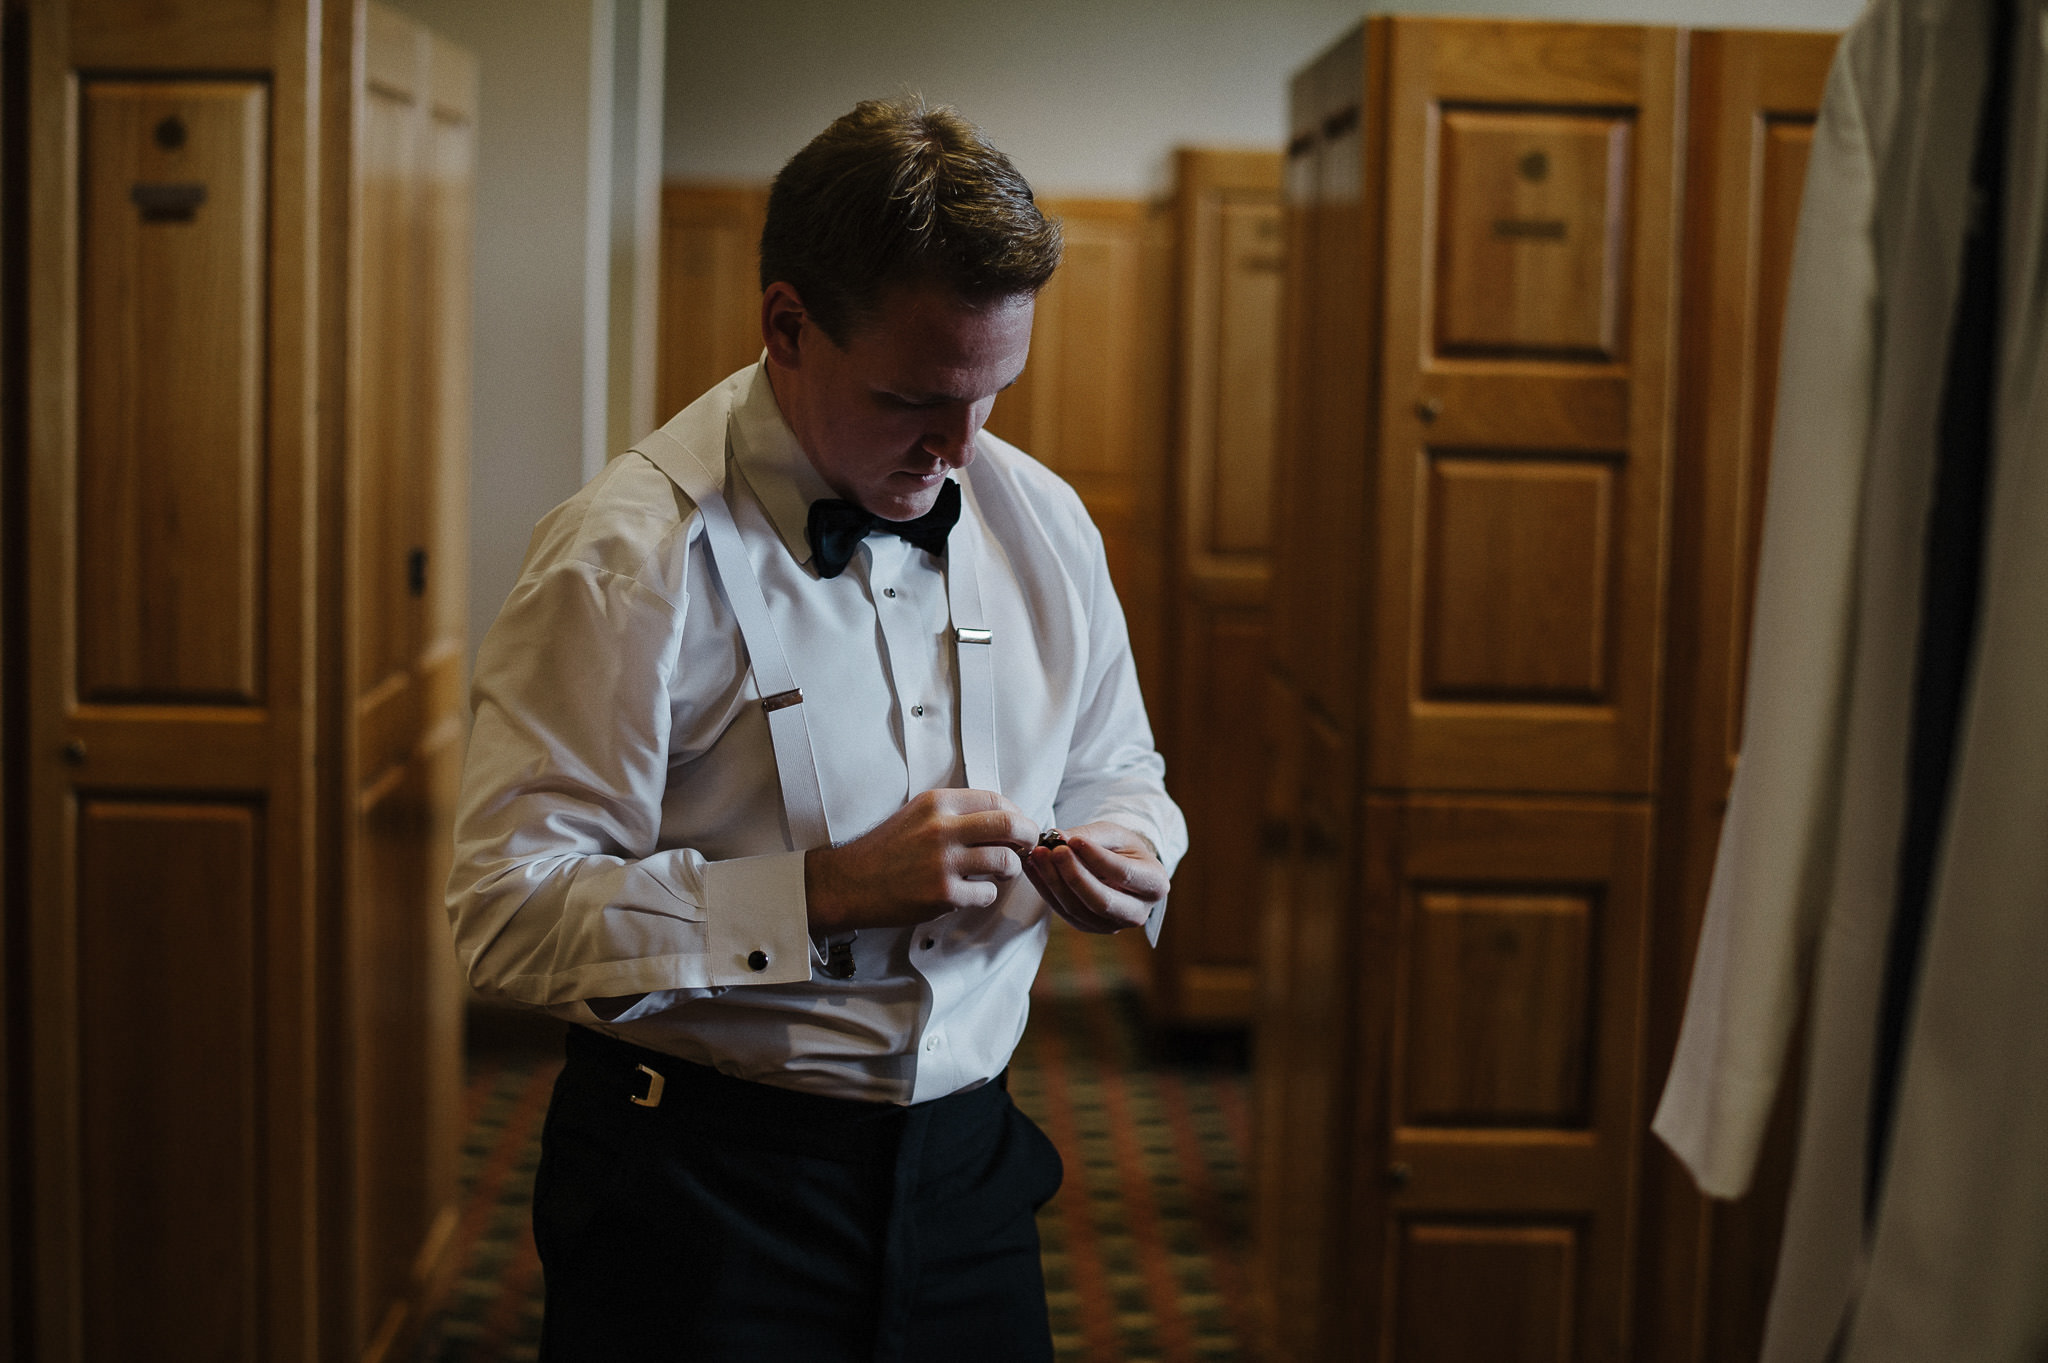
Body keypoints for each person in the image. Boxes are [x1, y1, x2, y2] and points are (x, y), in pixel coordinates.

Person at [446, 95, 1187, 1362]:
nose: (960, 448)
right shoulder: (625, 558)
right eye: (916, 398)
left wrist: (1130, 846)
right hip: (699, 1193)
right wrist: (819, 893)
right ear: (785, 325)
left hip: (972, 1175)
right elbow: (506, 920)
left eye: (993, 393)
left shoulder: (1043, 522)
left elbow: (1123, 763)